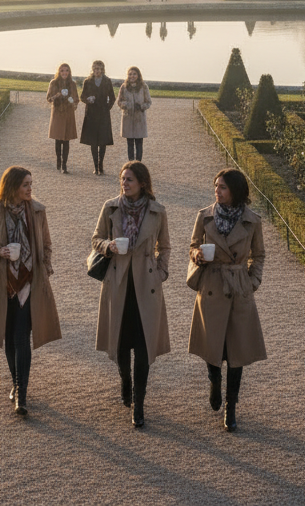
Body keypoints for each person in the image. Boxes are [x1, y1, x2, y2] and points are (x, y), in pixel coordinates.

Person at [0, 166, 62, 417]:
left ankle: (21, 393)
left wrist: (45, 269)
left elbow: (46, 244)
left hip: (29, 283)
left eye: (31, 184)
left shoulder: (37, 210)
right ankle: (15, 382)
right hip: (2, 282)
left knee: (22, 336)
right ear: (12, 186)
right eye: (25, 184)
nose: (30, 188)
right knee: (9, 337)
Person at [91, 162, 170, 428]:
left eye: (130, 179)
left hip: (146, 285)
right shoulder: (110, 207)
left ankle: (139, 403)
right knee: (122, 343)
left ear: (142, 183)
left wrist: (160, 272)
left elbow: (165, 246)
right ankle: (125, 380)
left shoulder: (157, 211)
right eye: (123, 179)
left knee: (145, 345)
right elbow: (96, 238)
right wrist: (108, 246)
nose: (124, 183)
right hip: (119, 281)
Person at [187, 168, 266, 432]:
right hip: (211, 284)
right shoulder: (204, 216)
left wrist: (252, 281)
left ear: (236, 190)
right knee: (212, 347)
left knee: (236, 353)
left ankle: (231, 409)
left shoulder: (252, 221)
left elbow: (259, 255)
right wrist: (197, 255)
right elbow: (193, 245)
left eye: (222, 187)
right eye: (216, 186)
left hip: (239, 289)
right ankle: (213, 378)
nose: (217, 191)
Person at [80, 59, 115, 174]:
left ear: (102, 69)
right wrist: (87, 100)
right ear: (92, 69)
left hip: (103, 114)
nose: (97, 70)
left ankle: (101, 165)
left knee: (102, 141)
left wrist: (107, 108)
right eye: (95, 68)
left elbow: (112, 97)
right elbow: (82, 97)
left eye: (99, 68)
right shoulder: (87, 81)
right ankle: (96, 166)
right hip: (91, 114)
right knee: (93, 142)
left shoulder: (107, 81)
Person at [46, 62, 78, 173]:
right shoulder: (54, 83)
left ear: (69, 72)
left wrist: (72, 101)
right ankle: (58, 160)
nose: (64, 73)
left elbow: (76, 99)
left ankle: (64, 165)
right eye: (62, 70)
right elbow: (49, 98)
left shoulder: (72, 84)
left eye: (66, 70)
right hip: (57, 113)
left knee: (66, 140)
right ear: (59, 72)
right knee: (58, 139)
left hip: (68, 113)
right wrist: (57, 95)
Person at [117, 66, 151, 162]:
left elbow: (148, 102)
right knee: (130, 143)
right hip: (128, 118)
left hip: (139, 118)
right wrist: (125, 105)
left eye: (134, 74)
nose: (132, 76)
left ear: (138, 75)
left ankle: (138, 163)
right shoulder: (124, 87)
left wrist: (141, 106)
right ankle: (131, 163)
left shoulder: (144, 87)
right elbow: (119, 101)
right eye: (130, 74)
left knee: (139, 143)